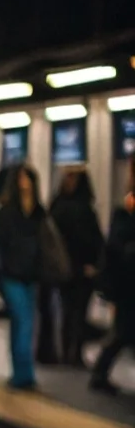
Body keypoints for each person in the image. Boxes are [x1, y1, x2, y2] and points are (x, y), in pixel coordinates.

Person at [0, 164, 45, 390]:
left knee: (24, 323)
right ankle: (24, 374)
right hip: (11, 275)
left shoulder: (39, 211)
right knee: (23, 321)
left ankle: (21, 372)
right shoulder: (7, 212)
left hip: (31, 275)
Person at [49, 168, 104, 367]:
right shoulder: (85, 209)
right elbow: (94, 242)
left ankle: (65, 351)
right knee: (79, 313)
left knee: (66, 312)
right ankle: (75, 353)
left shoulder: (56, 206)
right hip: (82, 270)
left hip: (63, 269)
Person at [90, 159, 135, 393]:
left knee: (122, 331)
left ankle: (99, 373)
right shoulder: (125, 210)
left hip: (126, 283)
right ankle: (99, 374)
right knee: (122, 331)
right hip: (128, 284)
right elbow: (117, 247)